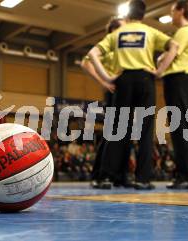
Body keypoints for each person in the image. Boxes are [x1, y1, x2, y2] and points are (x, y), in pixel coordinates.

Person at [88, 0, 178, 190]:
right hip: (145, 80)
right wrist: (160, 70)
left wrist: (106, 77)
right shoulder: (150, 32)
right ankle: (142, 179)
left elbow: (93, 53)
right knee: (145, 131)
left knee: (117, 130)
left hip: (123, 80)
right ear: (143, 15)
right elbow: (174, 46)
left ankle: (106, 177)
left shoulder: (118, 33)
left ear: (127, 14)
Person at [81, 17, 129, 189]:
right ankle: (99, 175)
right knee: (112, 135)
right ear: (114, 30)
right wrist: (104, 82)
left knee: (125, 135)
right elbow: (86, 63)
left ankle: (120, 176)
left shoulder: (121, 48)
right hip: (113, 93)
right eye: (123, 27)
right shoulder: (107, 46)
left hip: (125, 93)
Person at [163, 0, 188, 189]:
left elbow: (171, 53)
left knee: (179, 127)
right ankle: (186, 174)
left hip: (177, 80)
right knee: (179, 127)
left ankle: (187, 175)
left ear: (181, 11)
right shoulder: (187, 32)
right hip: (181, 81)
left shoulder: (184, 32)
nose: (171, 15)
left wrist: (159, 69)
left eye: (172, 11)